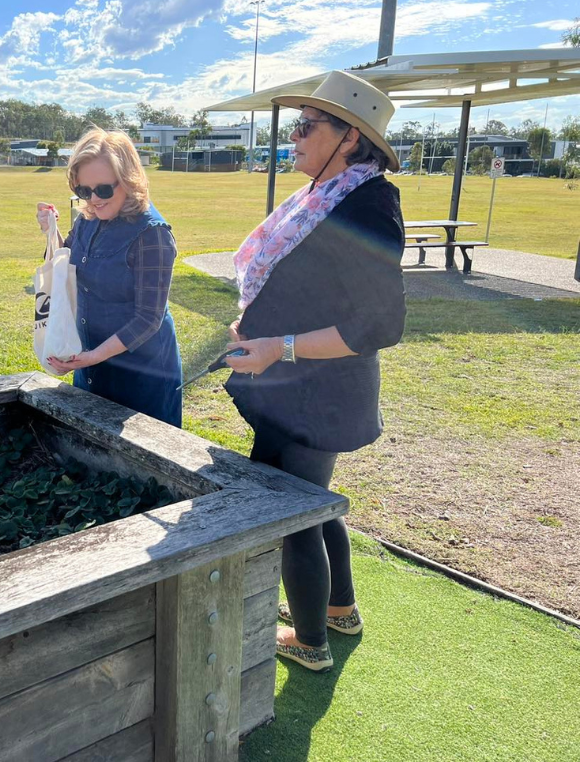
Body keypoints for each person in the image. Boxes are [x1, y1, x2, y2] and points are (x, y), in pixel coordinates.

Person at [223, 71, 407, 671]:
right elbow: (298, 285)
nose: (294, 138)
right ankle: (338, 611)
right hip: (294, 386)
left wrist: (279, 346)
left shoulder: (367, 206)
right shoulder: (328, 193)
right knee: (313, 500)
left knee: (291, 510)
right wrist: (255, 326)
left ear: (349, 137)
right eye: (296, 125)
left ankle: (309, 642)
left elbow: (375, 327)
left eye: (307, 126)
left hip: (317, 392)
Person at [35, 127, 183, 427]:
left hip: (142, 374)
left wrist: (91, 357)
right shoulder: (88, 217)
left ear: (129, 180)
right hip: (91, 360)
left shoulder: (152, 234)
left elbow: (148, 319)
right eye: (83, 191)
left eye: (103, 190)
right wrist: (51, 232)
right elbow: (67, 268)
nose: (93, 199)